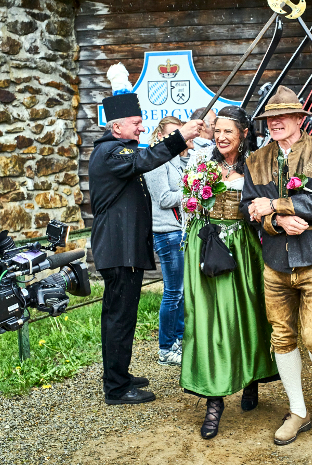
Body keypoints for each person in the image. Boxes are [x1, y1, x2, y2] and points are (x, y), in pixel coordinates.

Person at [242, 85, 312, 446]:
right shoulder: (255, 160)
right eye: (270, 118)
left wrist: (274, 206)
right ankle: (297, 410)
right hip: (275, 263)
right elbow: (249, 209)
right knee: (282, 337)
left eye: (283, 116)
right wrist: (276, 221)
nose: (275, 122)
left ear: (301, 119)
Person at [89, 84, 203, 405]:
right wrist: (180, 136)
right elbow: (146, 159)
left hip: (125, 249)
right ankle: (116, 388)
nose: (142, 127)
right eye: (137, 122)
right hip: (118, 250)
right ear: (117, 127)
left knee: (122, 316)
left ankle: (119, 375)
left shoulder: (118, 150)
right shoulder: (111, 151)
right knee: (119, 318)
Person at [179, 105, 278, 440]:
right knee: (207, 321)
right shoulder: (201, 163)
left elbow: (267, 207)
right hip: (205, 247)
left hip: (243, 248)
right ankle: (214, 401)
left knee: (247, 316)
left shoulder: (256, 167)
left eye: (228, 132)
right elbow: (186, 205)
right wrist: (194, 202)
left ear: (243, 135)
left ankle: (250, 377)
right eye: (216, 130)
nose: (220, 137)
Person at [144, 116, 194, 367]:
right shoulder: (155, 160)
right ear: (161, 134)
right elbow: (163, 199)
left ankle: (177, 340)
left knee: (182, 291)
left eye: (181, 132)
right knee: (173, 292)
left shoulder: (174, 159)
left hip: (180, 230)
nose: (179, 137)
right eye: (174, 133)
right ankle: (165, 347)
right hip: (166, 232)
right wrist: (192, 193)